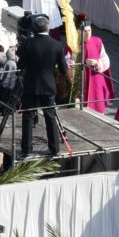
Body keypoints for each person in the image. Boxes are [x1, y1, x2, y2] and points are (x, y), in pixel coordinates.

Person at [17, 15, 68, 158]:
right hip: (49, 86)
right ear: (47, 28)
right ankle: (54, 148)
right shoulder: (57, 45)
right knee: (50, 116)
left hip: (31, 86)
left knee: (28, 116)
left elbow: (20, 65)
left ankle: (26, 149)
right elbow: (64, 70)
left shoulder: (28, 44)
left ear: (34, 29)